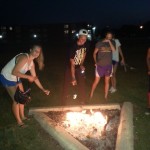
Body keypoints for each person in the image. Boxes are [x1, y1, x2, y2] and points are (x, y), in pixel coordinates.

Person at [0, 44, 50, 127]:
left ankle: (23, 116)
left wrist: (43, 89)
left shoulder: (32, 64)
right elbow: (14, 72)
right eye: (35, 51)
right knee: (16, 100)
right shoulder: (24, 58)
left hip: (16, 77)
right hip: (7, 76)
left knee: (23, 97)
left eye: (38, 52)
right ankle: (19, 122)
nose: (37, 53)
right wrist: (28, 77)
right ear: (30, 50)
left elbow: (35, 78)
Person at [61, 29, 89, 105]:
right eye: (82, 38)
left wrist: (81, 64)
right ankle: (64, 101)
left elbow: (83, 55)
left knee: (82, 83)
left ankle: (82, 101)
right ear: (78, 37)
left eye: (85, 38)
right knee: (67, 84)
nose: (83, 40)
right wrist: (73, 77)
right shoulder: (73, 47)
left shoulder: (86, 45)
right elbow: (72, 64)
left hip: (78, 67)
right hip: (70, 67)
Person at [89, 31, 115, 100]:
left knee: (107, 82)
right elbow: (94, 53)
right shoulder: (99, 43)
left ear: (111, 37)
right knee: (96, 81)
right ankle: (91, 94)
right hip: (100, 65)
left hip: (108, 65)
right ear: (105, 36)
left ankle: (106, 96)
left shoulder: (112, 42)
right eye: (108, 36)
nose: (109, 38)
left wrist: (109, 42)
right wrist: (95, 62)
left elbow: (114, 50)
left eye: (110, 37)